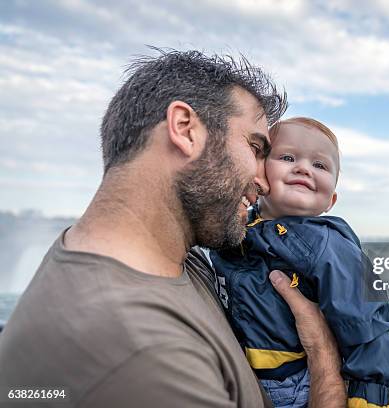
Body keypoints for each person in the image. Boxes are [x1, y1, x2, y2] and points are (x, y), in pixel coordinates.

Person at [0, 50, 346, 407]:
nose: (265, 180)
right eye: (256, 147)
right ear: (184, 129)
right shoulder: (141, 352)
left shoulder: (178, 255)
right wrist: (322, 352)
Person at [210, 117, 389, 408]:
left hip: (292, 386)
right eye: (288, 157)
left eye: (320, 165)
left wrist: (369, 397)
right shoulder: (234, 228)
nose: (303, 168)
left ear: (330, 201)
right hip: (238, 371)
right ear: (260, 173)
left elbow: (366, 322)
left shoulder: (327, 245)